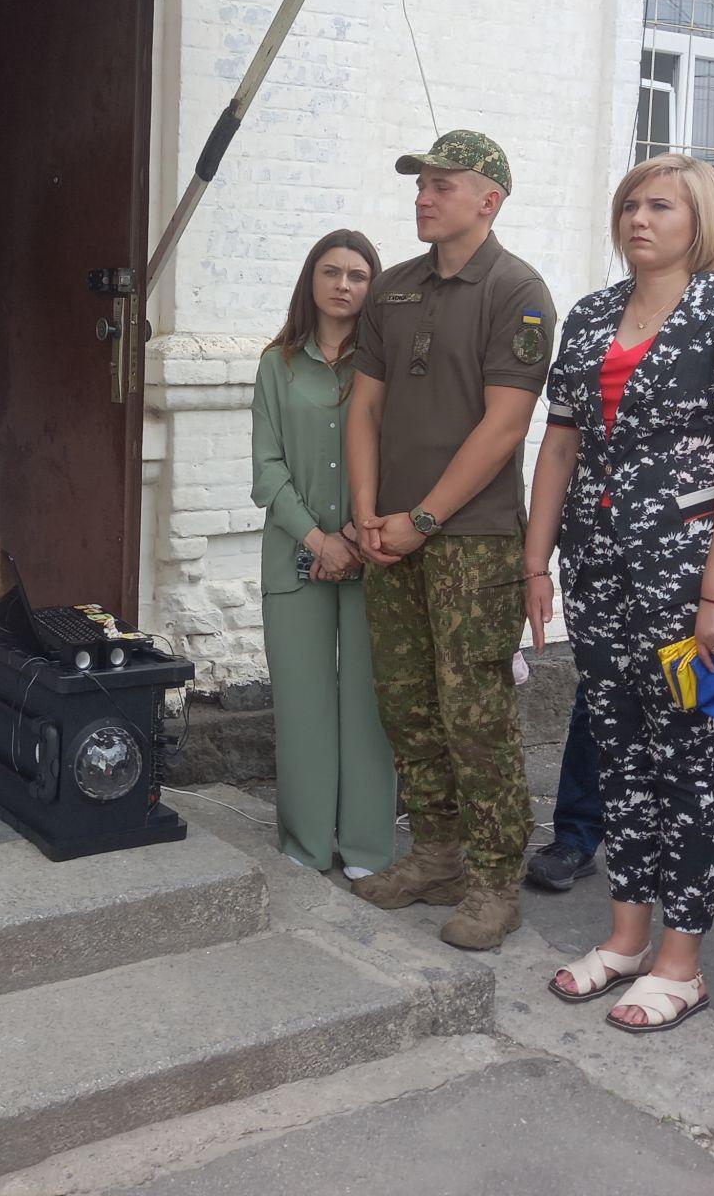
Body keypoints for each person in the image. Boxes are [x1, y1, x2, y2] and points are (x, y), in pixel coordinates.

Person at [524, 153, 714, 1032]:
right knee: (617, 751)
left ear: (701, 220)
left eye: (662, 205)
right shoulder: (592, 314)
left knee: (684, 761)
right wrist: (536, 562)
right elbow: (560, 445)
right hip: (596, 568)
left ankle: (683, 959)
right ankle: (626, 938)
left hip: (689, 578)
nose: (640, 218)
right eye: (630, 204)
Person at [345, 129, 556, 953]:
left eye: (443, 184)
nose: (424, 196)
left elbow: (505, 425)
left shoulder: (517, 290)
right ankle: (436, 856)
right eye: (420, 184)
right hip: (389, 535)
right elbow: (364, 406)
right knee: (407, 702)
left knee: (475, 712)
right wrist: (369, 512)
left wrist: (423, 518)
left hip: (472, 540)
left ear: (489, 200)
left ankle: (495, 880)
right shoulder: (393, 289)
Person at [251, 229, 397, 880]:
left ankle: (367, 848)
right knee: (303, 705)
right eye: (331, 272)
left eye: (358, 275)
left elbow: (398, 453)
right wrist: (319, 540)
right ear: (310, 280)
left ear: (373, 286)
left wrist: (358, 539)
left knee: (368, 705)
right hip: (296, 560)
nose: (343, 285)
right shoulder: (276, 364)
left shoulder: (385, 364)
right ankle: (306, 844)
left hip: (374, 556)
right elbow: (266, 469)